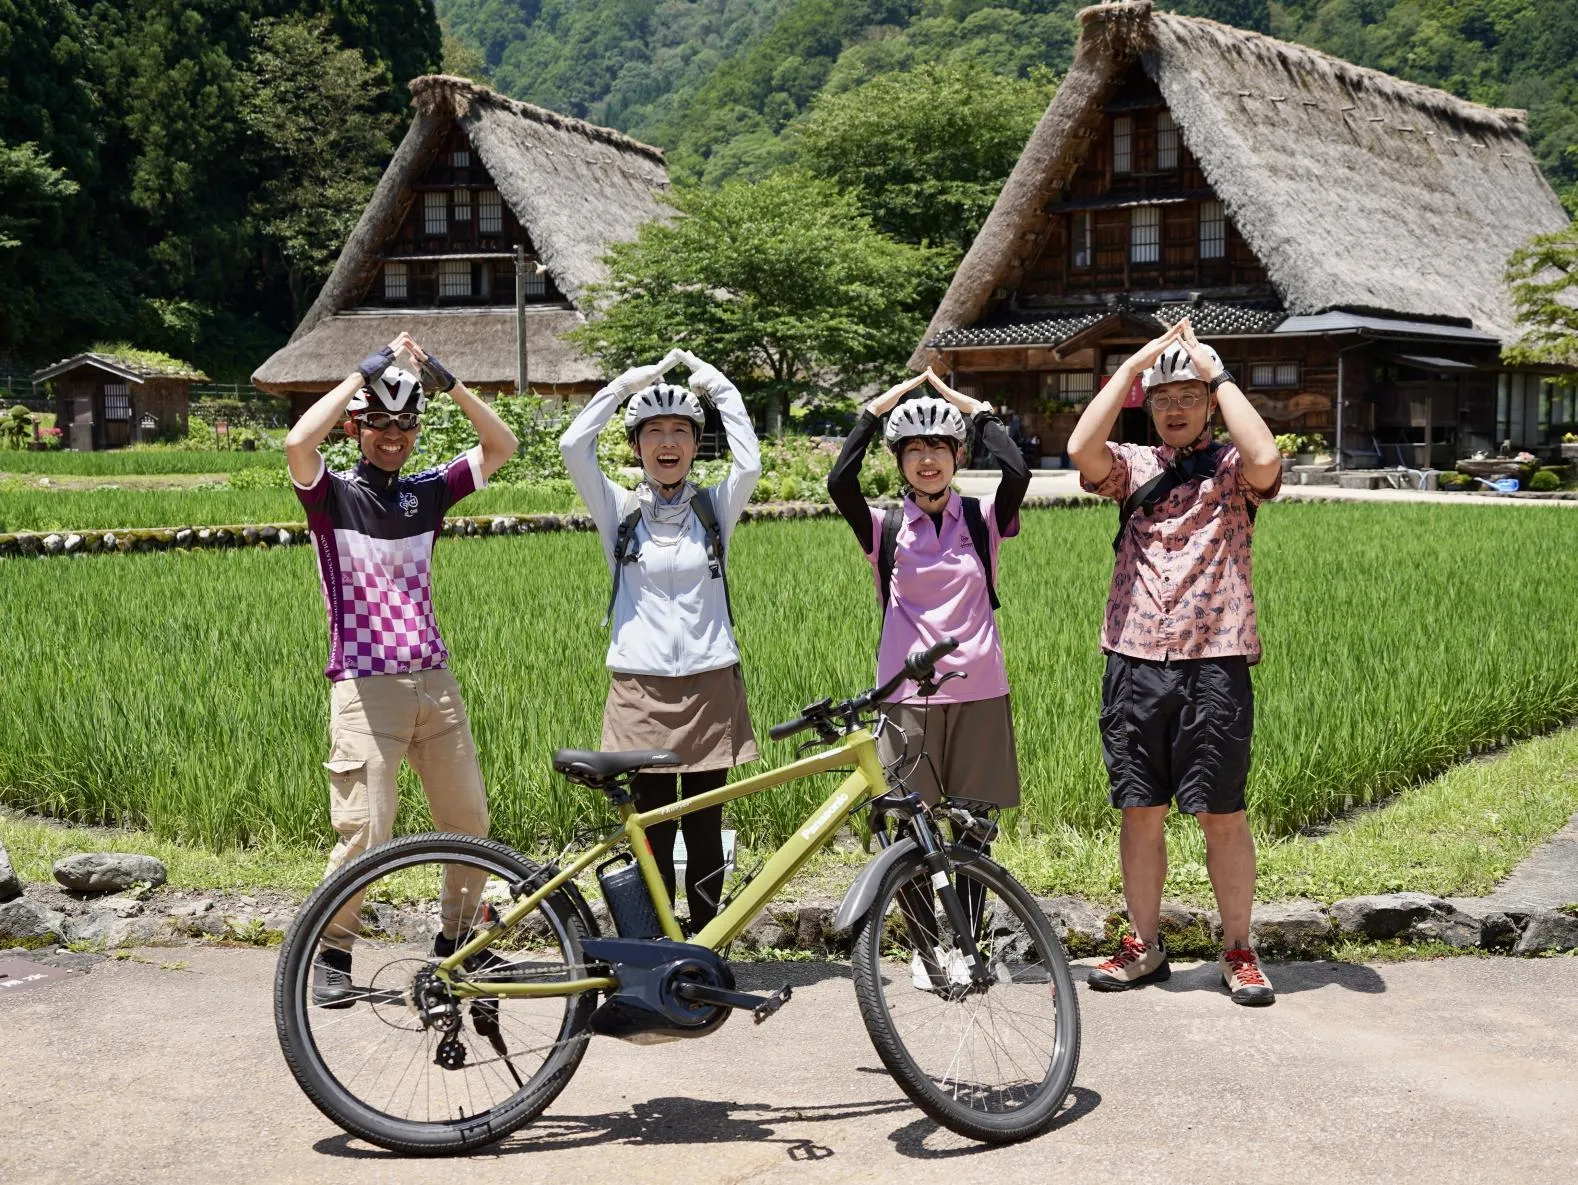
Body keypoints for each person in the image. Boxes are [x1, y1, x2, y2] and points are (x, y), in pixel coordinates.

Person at [284, 332, 519, 1007]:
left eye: (405, 423)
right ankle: (332, 949)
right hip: (365, 685)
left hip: (433, 683)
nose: (393, 436)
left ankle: (456, 944)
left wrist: (450, 384)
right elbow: (298, 445)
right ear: (358, 427)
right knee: (367, 829)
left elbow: (500, 446)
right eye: (379, 424)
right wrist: (360, 372)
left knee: (468, 820)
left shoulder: (425, 494)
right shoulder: (330, 497)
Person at [1068, 318, 1282, 1006]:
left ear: (1210, 403)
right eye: (1164, 398)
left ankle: (1239, 947)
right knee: (1141, 809)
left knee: (1222, 811)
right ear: (1147, 405)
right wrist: (1134, 363)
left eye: (1190, 396)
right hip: (1134, 656)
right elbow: (1080, 447)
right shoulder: (1134, 466)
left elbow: (1267, 457)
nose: (1177, 408)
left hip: (1215, 658)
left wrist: (1215, 372)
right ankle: (1143, 943)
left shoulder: (1229, 471)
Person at [827, 368, 1030, 985]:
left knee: (972, 825)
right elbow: (840, 482)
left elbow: (1017, 470)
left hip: (979, 691)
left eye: (937, 447)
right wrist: (877, 409)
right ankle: (923, 948)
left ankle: (967, 947)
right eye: (913, 449)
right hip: (906, 697)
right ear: (899, 460)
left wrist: (973, 407)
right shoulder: (885, 527)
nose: (926, 460)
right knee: (908, 825)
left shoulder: (981, 518)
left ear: (955, 455)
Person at [558, 348, 761, 932]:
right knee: (651, 823)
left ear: (697, 444)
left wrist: (717, 385)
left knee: (702, 823)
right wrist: (628, 382)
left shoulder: (714, 509)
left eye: (679, 431)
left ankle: (705, 941)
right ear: (637, 444)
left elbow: (749, 463)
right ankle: (659, 942)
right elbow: (574, 445)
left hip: (709, 683)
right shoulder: (619, 510)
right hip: (639, 688)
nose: (667, 442)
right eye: (654, 432)